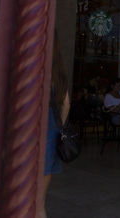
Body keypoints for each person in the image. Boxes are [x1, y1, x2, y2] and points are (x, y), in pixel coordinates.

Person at [43, 30, 70, 217]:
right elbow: (66, 104)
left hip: (31, 138)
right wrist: (58, 128)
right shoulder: (58, 72)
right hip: (51, 137)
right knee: (39, 204)